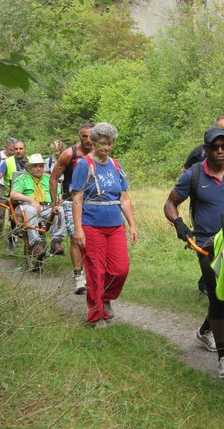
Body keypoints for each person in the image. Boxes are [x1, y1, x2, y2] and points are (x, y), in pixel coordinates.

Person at [164, 126, 224, 379]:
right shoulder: (193, 175)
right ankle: (223, 358)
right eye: (214, 146)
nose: (219, 151)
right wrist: (179, 224)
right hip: (206, 245)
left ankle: (205, 331)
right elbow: (170, 203)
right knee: (218, 295)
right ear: (204, 149)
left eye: (223, 146)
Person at [71, 122, 138, 328]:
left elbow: (124, 198)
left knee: (121, 269)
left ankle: (105, 297)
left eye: (110, 144)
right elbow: (77, 197)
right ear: (92, 142)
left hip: (115, 224)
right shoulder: (84, 165)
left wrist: (132, 225)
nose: (107, 148)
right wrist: (78, 229)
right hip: (92, 225)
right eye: (103, 144)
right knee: (96, 271)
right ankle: (96, 315)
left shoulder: (116, 165)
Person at [182, 115, 224, 296]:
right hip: (205, 220)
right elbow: (184, 176)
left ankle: (222, 291)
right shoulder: (198, 153)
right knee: (209, 260)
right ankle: (208, 286)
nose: (221, 147)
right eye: (223, 132)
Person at [50, 123, 94, 295]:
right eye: (84, 136)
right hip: (70, 200)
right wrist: (55, 202)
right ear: (79, 137)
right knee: (76, 236)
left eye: (91, 136)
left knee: (90, 237)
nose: (88, 139)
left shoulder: (99, 154)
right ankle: (78, 277)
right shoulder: (69, 154)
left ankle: (93, 274)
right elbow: (53, 178)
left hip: (92, 201)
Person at [10, 153, 66, 257]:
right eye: (35, 166)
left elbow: (58, 194)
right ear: (29, 167)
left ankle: (56, 241)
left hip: (47, 207)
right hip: (26, 207)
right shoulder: (23, 178)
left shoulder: (48, 179)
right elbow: (13, 194)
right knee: (29, 209)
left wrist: (57, 202)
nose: (38, 169)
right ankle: (35, 243)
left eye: (41, 166)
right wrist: (30, 200)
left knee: (60, 210)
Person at [0, 139, 28, 255]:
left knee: (24, 220)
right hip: (11, 195)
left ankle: (30, 244)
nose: (18, 151)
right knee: (13, 219)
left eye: (21, 149)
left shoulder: (31, 162)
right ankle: (11, 242)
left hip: (27, 196)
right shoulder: (7, 162)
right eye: (16, 149)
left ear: (25, 149)